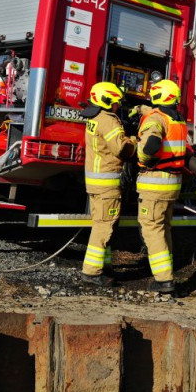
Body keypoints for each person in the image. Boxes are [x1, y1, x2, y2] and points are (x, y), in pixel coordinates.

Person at [79, 82, 134, 287]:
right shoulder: (108, 120)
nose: (118, 106)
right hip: (107, 184)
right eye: (116, 102)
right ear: (108, 101)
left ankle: (103, 265)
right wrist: (134, 141)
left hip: (94, 183)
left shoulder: (93, 118)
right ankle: (92, 272)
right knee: (104, 227)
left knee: (100, 224)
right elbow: (121, 150)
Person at [135, 79, 187, 293]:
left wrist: (144, 159)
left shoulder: (156, 118)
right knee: (163, 227)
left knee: (151, 228)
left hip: (154, 183)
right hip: (172, 183)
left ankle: (164, 279)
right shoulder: (178, 120)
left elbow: (153, 143)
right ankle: (167, 270)